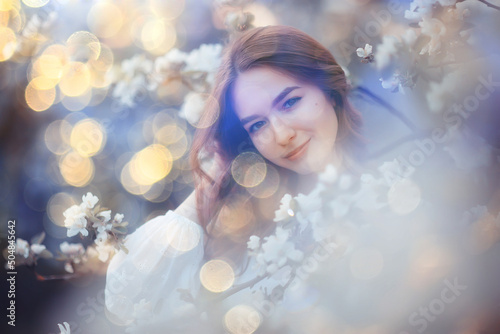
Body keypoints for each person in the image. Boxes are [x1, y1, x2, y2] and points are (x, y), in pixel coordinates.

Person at [105, 25, 366, 331]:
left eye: (290, 102)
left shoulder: (403, 162)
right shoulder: (261, 245)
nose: (282, 135)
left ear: (329, 89)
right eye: (257, 125)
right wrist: (212, 178)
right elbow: (130, 300)